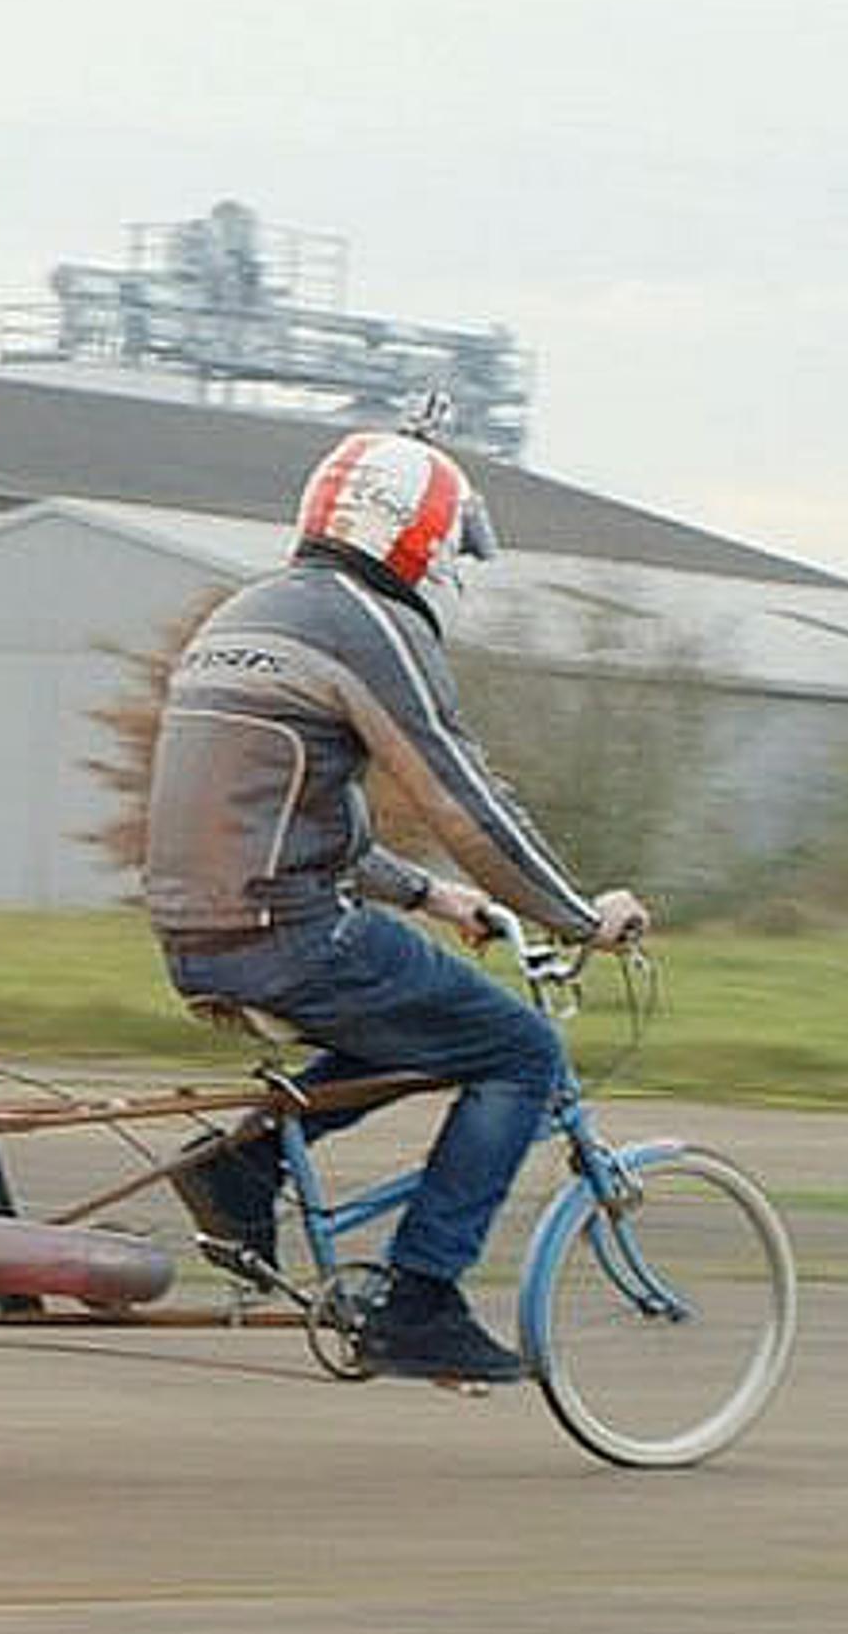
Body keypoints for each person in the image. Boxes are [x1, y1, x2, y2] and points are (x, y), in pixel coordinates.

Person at [139, 417, 651, 1383]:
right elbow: (466, 802)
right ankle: (422, 1298)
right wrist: (579, 916)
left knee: (406, 1027)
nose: (450, 565)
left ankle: (241, 1165)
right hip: (287, 933)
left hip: (197, 931)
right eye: (451, 544)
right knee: (520, 1050)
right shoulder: (370, 625)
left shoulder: (250, 612)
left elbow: (283, 811)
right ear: (415, 536)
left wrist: (426, 896)